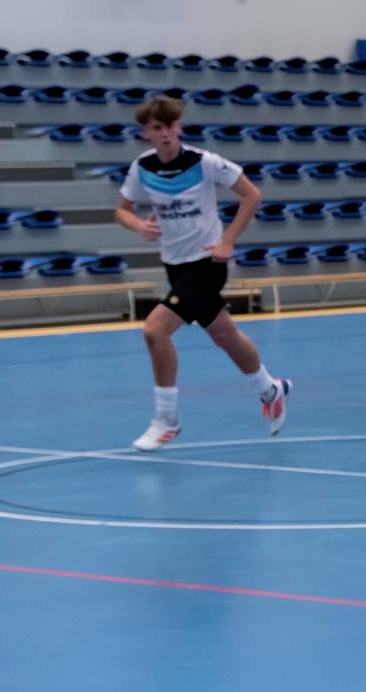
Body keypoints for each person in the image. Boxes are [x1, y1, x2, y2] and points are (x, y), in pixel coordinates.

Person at [116, 96, 290, 451]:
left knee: (155, 331)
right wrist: (138, 225)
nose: (166, 134)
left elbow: (251, 195)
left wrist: (228, 239)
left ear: (179, 127)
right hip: (175, 264)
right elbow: (122, 210)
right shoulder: (142, 167)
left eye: (170, 126)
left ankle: (166, 420)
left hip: (207, 264)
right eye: (157, 128)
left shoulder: (205, 162)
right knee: (224, 335)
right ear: (147, 133)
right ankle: (270, 389)